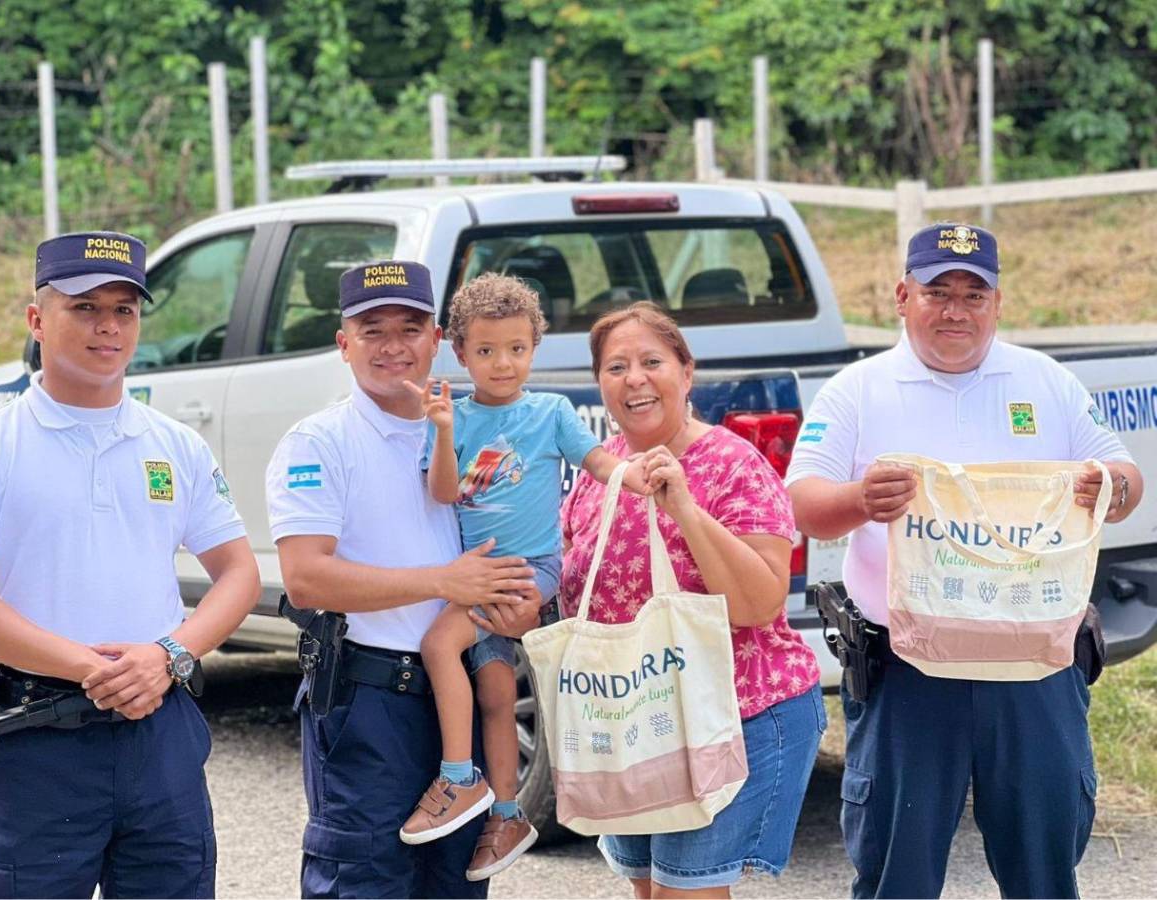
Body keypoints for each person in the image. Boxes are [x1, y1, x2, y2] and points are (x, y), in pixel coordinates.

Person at [785, 222, 1144, 899]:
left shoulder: (1046, 382)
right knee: (900, 869)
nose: (955, 310)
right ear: (902, 295)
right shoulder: (857, 391)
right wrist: (860, 499)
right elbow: (803, 501)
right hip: (908, 666)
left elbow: (1124, 476)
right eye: (937, 291)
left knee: (1044, 861)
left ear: (998, 303)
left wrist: (1112, 486)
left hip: (1035, 660)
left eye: (974, 295)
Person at [0, 231, 262, 898]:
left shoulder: (175, 445)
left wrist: (169, 655)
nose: (107, 327)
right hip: (36, 737)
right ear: (37, 319)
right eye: (84, 307)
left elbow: (240, 573)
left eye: (124, 310)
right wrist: (92, 669)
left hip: (159, 734)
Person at [265, 260, 544, 899]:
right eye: (372, 330)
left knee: (455, 886)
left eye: (410, 328)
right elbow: (307, 578)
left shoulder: (478, 432)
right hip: (368, 702)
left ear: (438, 340)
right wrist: (445, 581)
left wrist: (521, 602)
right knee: (366, 880)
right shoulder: (319, 443)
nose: (394, 346)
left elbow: (519, 543)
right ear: (343, 345)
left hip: (463, 696)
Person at [560, 301, 826, 898]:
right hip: (635, 723)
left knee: (687, 893)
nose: (634, 379)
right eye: (615, 367)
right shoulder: (599, 475)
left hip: (737, 715)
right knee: (652, 892)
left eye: (652, 361)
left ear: (686, 372)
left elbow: (760, 603)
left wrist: (683, 506)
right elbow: (575, 583)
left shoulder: (735, 465)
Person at [401, 273, 648, 879]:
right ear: (460, 354)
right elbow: (442, 494)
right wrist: (443, 432)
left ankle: (458, 777)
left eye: (516, 349)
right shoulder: (451, 416)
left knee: (438, 644)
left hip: (528, 569)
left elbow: (595, 461)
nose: (502, 364)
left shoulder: (550, 412)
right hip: (475, 573)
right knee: (497, 694)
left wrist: (635, 476)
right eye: (485, 352)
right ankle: (508, 812)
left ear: (535, 346)